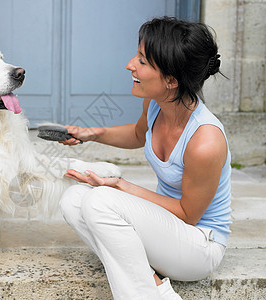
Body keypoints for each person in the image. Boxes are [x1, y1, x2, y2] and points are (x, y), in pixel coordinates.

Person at [59, 16, 231, 300]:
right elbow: (140, 134)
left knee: (101, 200)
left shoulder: (205, 141)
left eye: (142, 61)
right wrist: (92, 133)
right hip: (167, 229)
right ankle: (154, 287)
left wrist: (121, 186)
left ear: (171, 81)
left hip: (199, 245)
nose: (130, 65)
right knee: (74, 199)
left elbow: (189, 215)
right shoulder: (154, 104)